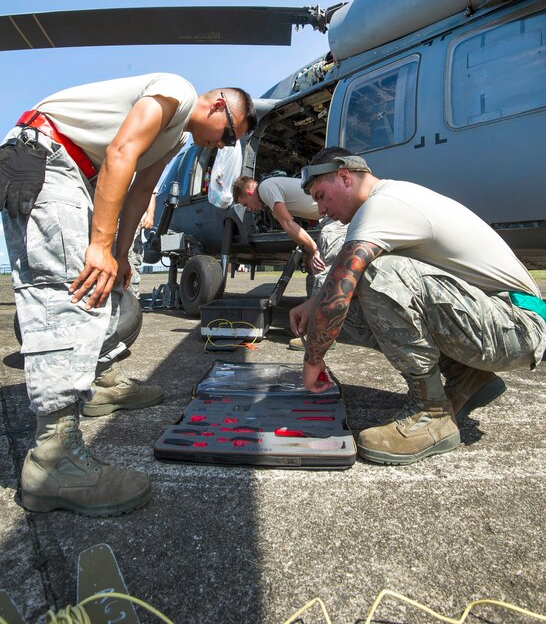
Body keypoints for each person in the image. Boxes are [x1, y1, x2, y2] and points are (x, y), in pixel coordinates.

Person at [0, 73, 255, 516]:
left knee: (101, 287)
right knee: (68, 295)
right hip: (49, 156)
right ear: (217, 106)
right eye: (228, 135)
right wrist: (99, 244)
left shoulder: (173, 139)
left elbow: (141, 188)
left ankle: (96, 385)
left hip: (74, 172)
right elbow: (120, 153)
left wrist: (119, 255)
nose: (222, 146)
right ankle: (53, 462)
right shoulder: (177, 91)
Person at [290, 146, 546, 466]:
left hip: (517, 325)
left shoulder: (382, 205)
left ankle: (432, 414)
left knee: (371, 276)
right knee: (346, 305)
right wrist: (313, 306)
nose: (321, 209)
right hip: (496, 319)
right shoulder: (389, 202)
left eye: (321, 195)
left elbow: (346, 278)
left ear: (344, 178)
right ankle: (467, 376)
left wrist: (313, 357)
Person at [232, 174, 347, 347]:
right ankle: (307, 326)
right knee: (313, 269)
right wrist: (310, 250)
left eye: (245, 204)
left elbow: (287, 224)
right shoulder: (269, 189)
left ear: (249, 192)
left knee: (322, 269)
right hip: (328, 216)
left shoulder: (265, 188)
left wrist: (314, 249)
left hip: (334, 214)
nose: (249, 209)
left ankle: (321, 335)